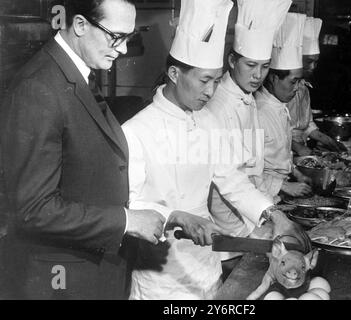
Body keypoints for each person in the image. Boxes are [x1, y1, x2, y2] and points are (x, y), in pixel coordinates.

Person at [122, 0, 310, 300]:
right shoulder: (136, 131)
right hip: (161, 277)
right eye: (204, 80)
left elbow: (231, 180)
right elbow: (130, 207)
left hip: (206, 266)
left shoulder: (207, 119)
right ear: (174, 73)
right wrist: (176, 216)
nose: (211, 91)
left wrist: (273, 214)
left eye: (216, 79)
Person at [0, 0, 166, 300]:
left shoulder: (77, 74)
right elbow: (35, 210)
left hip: (91, 268)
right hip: (60, 278)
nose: (124, 49)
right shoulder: (38, 88)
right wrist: (127, 221)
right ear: (79, 25)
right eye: (116, 36)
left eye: (129, 38)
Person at [206, 0, 304, 273]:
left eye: (264, 66)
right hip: (233, 236)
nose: (258, 75)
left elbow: (253, 170)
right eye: (250, 65)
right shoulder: (220, 107)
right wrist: (248, 234)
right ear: (232, 60)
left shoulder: (246, 99)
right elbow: (220, 188)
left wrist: (268, 217)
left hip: (253, 222)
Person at [255, 13, 313, 200]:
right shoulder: (259, 112)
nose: (297, 89)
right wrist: (284, 186)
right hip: (263, 197)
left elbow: (280, 156)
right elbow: (247, 169)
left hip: (281, 191)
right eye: (293, 82)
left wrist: (297, 174)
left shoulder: (279, 107)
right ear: (273, 78)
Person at [287, 17, 347, 157]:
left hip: (301, 151)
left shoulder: (304, 88)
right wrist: (298, 149)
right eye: (308, 62)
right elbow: (274, 132)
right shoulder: (283, 91)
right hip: (284, 154)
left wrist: (327, 140)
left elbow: (307, 125)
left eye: (316, 62)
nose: (313, 67)